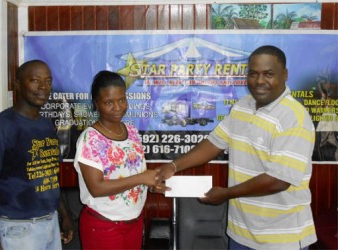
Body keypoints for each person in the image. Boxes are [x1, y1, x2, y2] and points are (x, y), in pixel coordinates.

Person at [156, 45, 317, 249]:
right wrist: (173, 166)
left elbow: (279, 180)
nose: (259, 81)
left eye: (268, 74)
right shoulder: (243, 105)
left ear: (284, 75)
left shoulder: (294, 117)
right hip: (240, 233)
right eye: (253, 74)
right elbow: (214, 142)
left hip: (282, 238)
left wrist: (226, 194)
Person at [0, 60, 74, 250]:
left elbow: (49, 176)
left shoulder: (46, 125)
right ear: (18, 85)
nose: (43, 87)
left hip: (50, 224)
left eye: (48, 81)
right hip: (18, 231)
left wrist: (65, 215)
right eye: (35, 80)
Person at [73, 70, 158, 249]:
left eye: (121, 100)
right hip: (104, 226)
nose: (117, 107)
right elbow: (96, 188)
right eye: (108, 102)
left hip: (134, 222)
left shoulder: (132, 131)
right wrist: (141, 178)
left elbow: (135, 174)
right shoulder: (90, 139)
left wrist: (149, 183)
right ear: (96, 104)